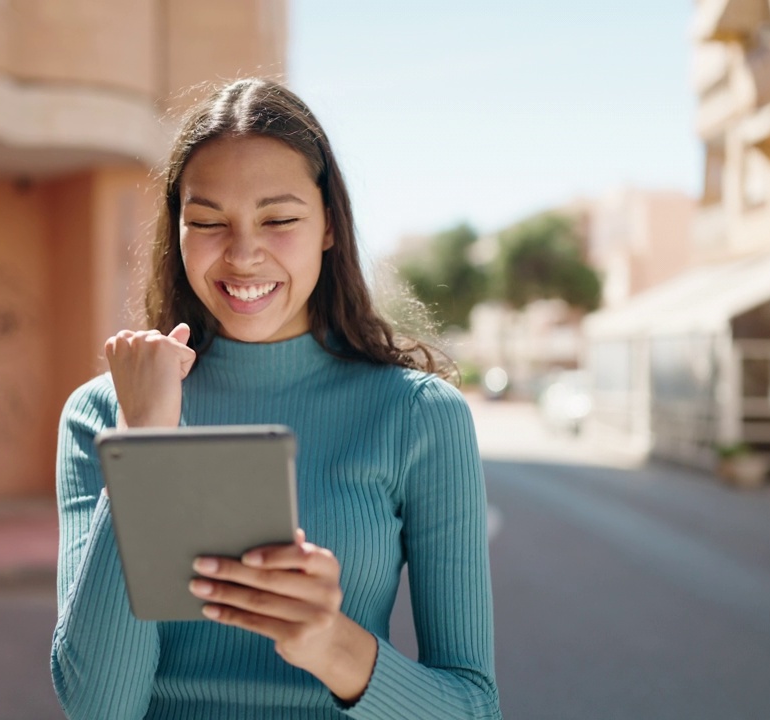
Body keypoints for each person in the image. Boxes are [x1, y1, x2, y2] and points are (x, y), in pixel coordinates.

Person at [51, 77, 501, 720]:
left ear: (327, 227)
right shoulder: (101, 414)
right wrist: (143, 443)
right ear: (177, 232)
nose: (242, 254)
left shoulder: (419, 416)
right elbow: (98, 707)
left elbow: (472, 708)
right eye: (207, 221)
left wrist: (329, 643)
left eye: (279, 219)